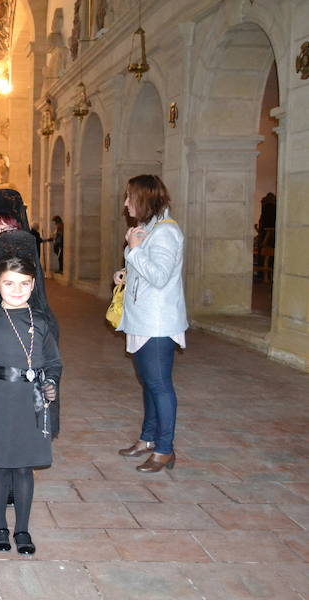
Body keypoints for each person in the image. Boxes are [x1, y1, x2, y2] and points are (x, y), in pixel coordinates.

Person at [0, 255, 61, 556]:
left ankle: (22, 528)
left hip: (29, 401)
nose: (17, 289)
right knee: (0, 467)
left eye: (24, 284)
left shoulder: (42, 321)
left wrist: (52, 384)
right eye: (9, 283)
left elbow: (54, 362)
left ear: (33, 285)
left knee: (23, 468)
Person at [114, 174, 186, 473]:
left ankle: (165, 449)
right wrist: (126, 272)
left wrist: (133, 249)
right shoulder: (150, 229)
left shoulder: (166, 232)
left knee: (159, 385)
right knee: (149, 383)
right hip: (143, 319)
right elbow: (149, 271)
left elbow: (159, 276)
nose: (126, 203)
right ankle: (147, 438)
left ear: (144, 198)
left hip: (158, 323)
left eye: (130, 197)